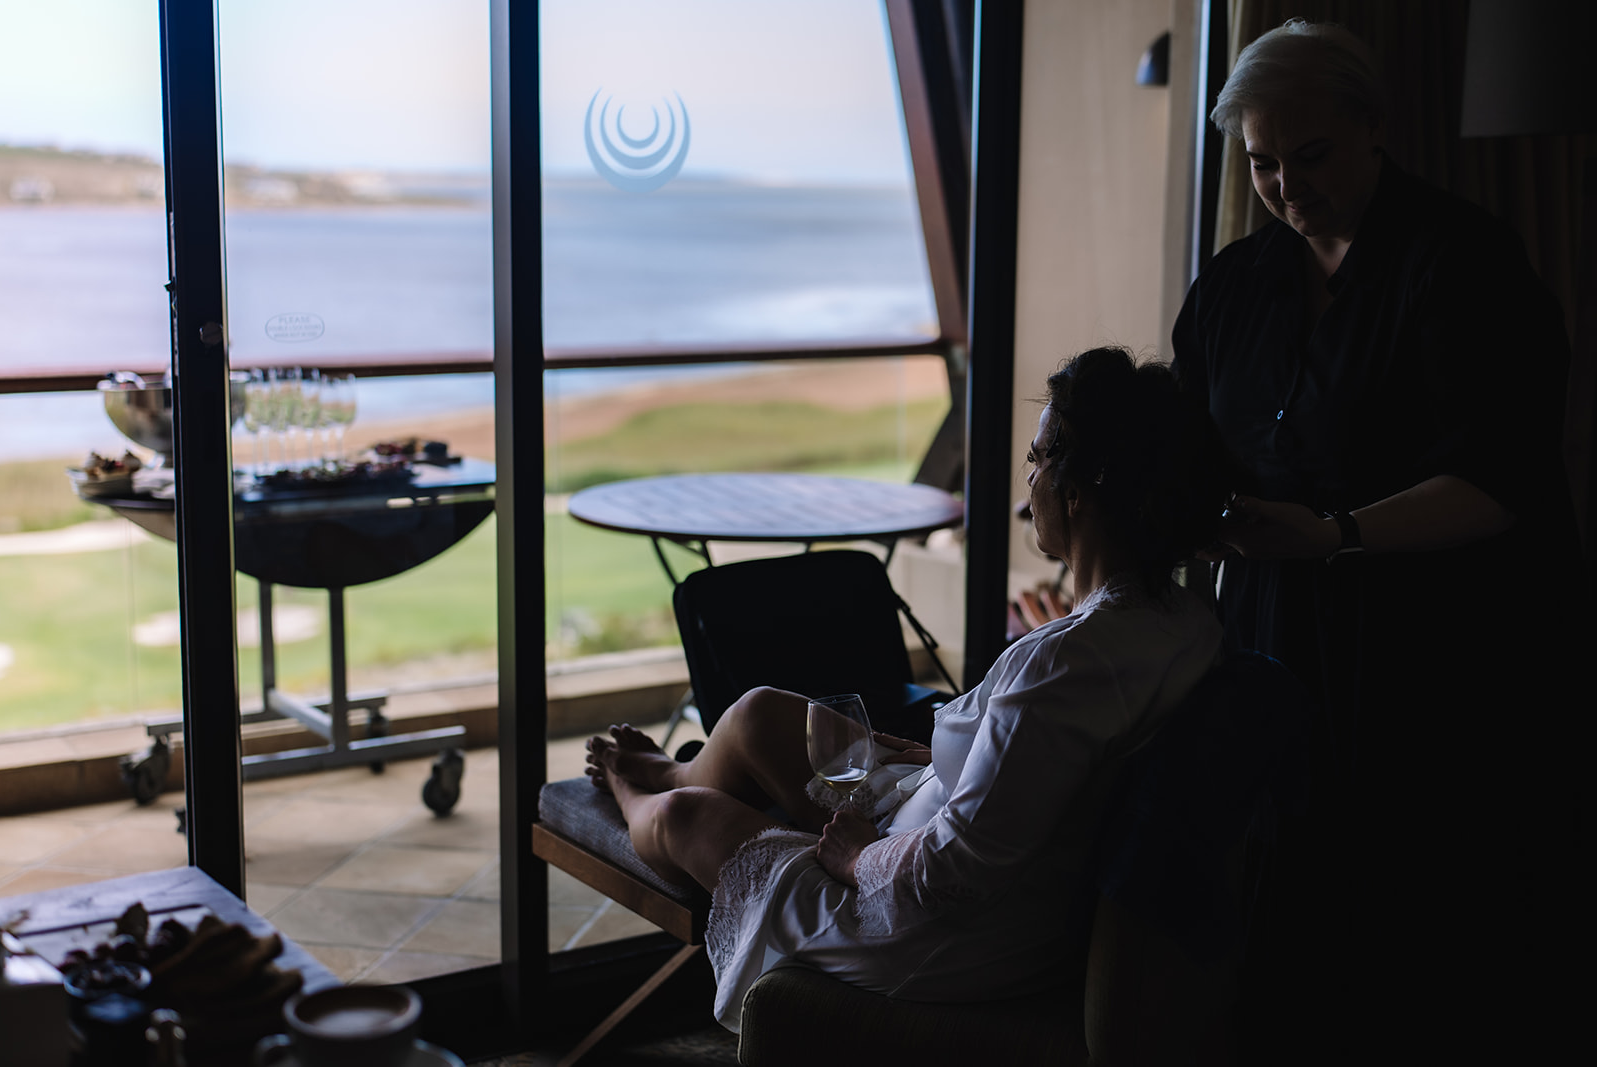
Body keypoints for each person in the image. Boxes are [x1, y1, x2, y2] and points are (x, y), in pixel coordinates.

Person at [586, 346, 1230, 1031]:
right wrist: (936, 760)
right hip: (962, 846)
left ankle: (631, 785)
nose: (1028, 483)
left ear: (1080, 493)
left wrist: (856, 854)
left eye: (1039, 460)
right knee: (755, 716)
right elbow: (1050, 777)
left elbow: (951, 873)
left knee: (686, 815)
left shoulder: (1066, 668)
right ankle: (672, 765)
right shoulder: (1183, 623)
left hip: (932, 935)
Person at [1170, 18, 1583, 1060]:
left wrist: (1333, 533)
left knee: (1419, 914)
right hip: (1269, 622)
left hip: (1436, 634)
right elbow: (1187, 440)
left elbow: (1505, 480)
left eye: (1307, 156)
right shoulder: (1234, 282)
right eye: (1260, 163)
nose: (1284, 186)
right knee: (1283, 888)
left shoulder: (1462, 262)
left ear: (1371, 128)